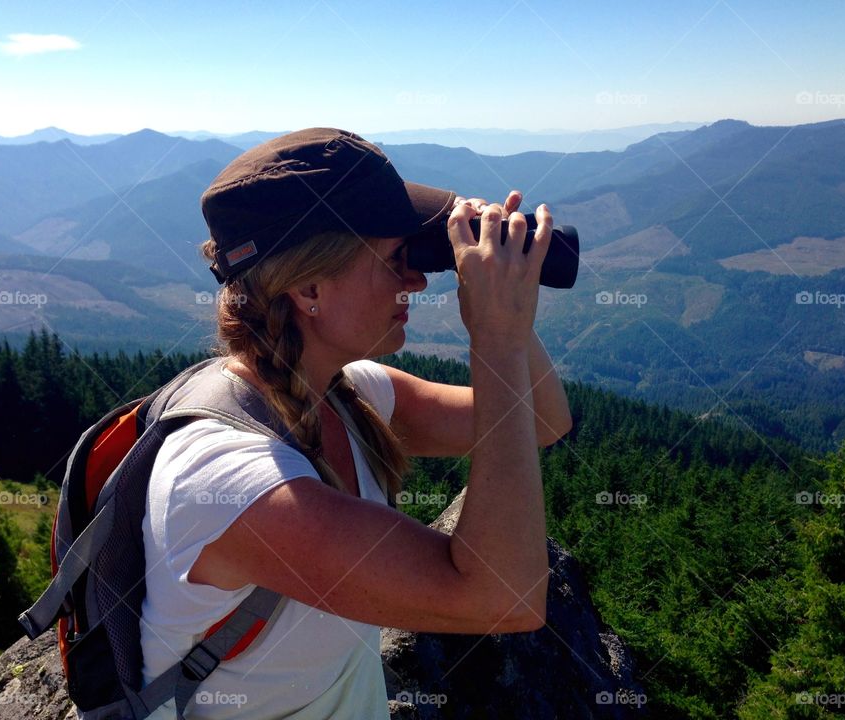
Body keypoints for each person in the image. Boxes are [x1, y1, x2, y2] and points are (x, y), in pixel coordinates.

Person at [139, 127, 572, 719]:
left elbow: (543, 420)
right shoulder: (229, 481)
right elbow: (504, 598)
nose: (418, 280)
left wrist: (507, 302)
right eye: (398, 259)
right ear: (309, 287)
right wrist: (495, 337)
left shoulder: (348, 395)